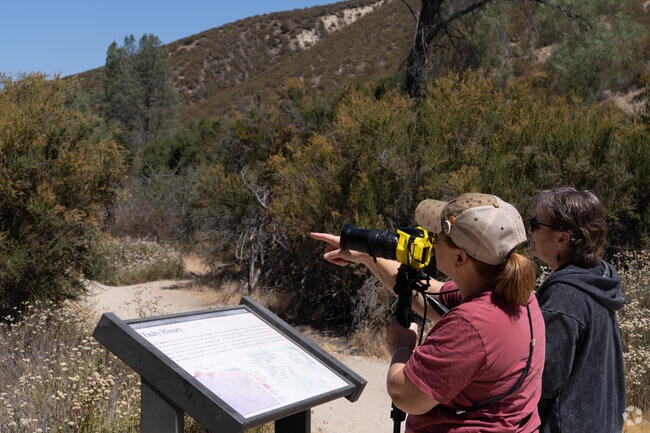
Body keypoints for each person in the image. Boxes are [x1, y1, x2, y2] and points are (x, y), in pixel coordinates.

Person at [311, 192, 546, 432]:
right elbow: (424, 295)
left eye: (437, 237)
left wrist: (401, 348)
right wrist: (363, 254)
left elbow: (404, 395)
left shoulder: (470, 325)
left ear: (460, 258)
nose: (431, 242)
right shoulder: (517, 295)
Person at [528, 186, 626, 433]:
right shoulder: (598, 278)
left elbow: (543, 379)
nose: (531, 230)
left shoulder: (565, 296)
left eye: (536, 224)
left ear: (562, 239)